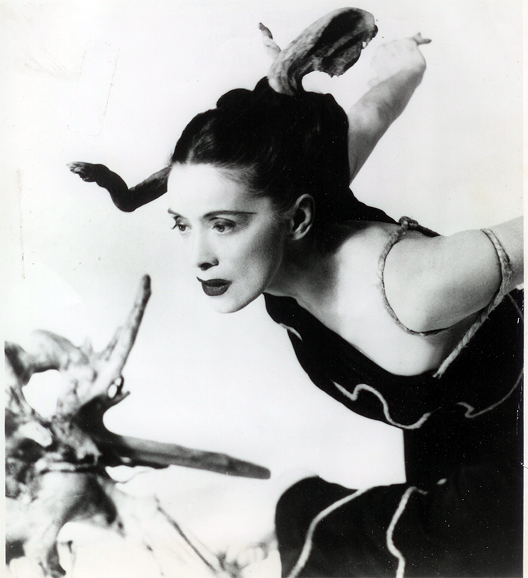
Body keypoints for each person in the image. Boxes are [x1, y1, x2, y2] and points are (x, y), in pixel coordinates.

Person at [70, 12, 523, 578]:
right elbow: (371, 113)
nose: (200, 255)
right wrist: (405, 63)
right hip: (448, 442)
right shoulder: (297, 198)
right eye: (184, 224)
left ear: (298, 218)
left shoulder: (411, 287)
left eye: (225, 224)